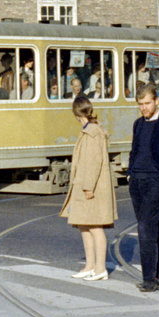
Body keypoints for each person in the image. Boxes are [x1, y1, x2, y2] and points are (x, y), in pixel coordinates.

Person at [59, 96, 116, 281]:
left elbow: (93, 162)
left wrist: (88, 187)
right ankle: (90, 266)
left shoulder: (92, 132)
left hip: (90, 186)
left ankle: (100, 268)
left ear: (76, 113)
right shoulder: (90, 130)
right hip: (84, 184)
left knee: (95, 226)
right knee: (84, 225)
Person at [128, 83, 159, 292]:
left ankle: (149, 278)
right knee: (152, 227)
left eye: (147, 103)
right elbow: (134, 149)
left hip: (156, 180)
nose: (144, 108)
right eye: (140, 104)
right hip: (137, 180)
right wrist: (130, 173)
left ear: (156, 101)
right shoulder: (138, 124)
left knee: (145, 226)